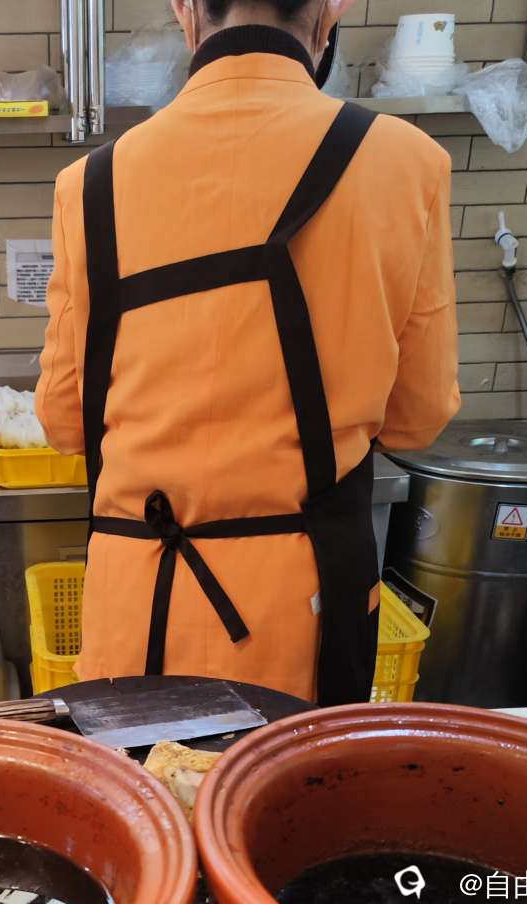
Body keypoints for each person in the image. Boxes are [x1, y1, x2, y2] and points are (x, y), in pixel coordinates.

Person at [35, 0, 460, 705]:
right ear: (332, 7)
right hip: (302, 619)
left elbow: (63, 422)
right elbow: (418, 417)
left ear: (185, 8)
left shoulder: (88, 185)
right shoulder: (407, 162)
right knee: (289, 782)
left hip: (137, 608)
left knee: (142, 782)